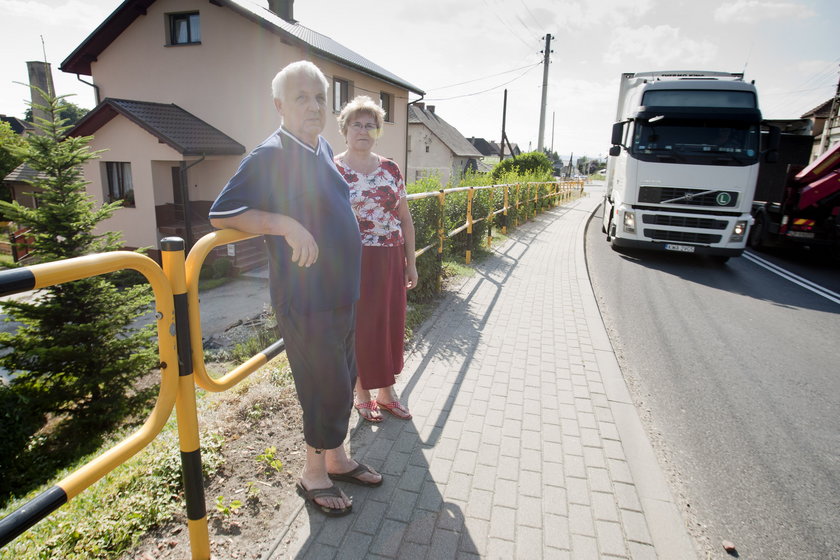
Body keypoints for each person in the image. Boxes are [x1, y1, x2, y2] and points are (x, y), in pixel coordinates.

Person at [208, 61, 381, 517]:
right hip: (306, 298)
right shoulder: (271, 153)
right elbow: (221, 213)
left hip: (341, 291)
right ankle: (313, 474)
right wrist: (281, 223)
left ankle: (338, 459)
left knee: (343, 380)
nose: (313, 105)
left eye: (320, 97)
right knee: (322, 385)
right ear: (279, 105)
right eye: (302, 97)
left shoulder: (321, 146)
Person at [333, 96, 418, 422]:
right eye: (357, 124)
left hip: (389, 258)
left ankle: (387, 392)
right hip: (352, 261)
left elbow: (405, 218)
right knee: (360, 328)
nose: (364, 130)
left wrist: (411, 262)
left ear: (378, 131)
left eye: (370, 125)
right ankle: (362, 393)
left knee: (389, 325)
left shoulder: (390, 168)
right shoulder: (335, 169)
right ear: (345, 129)